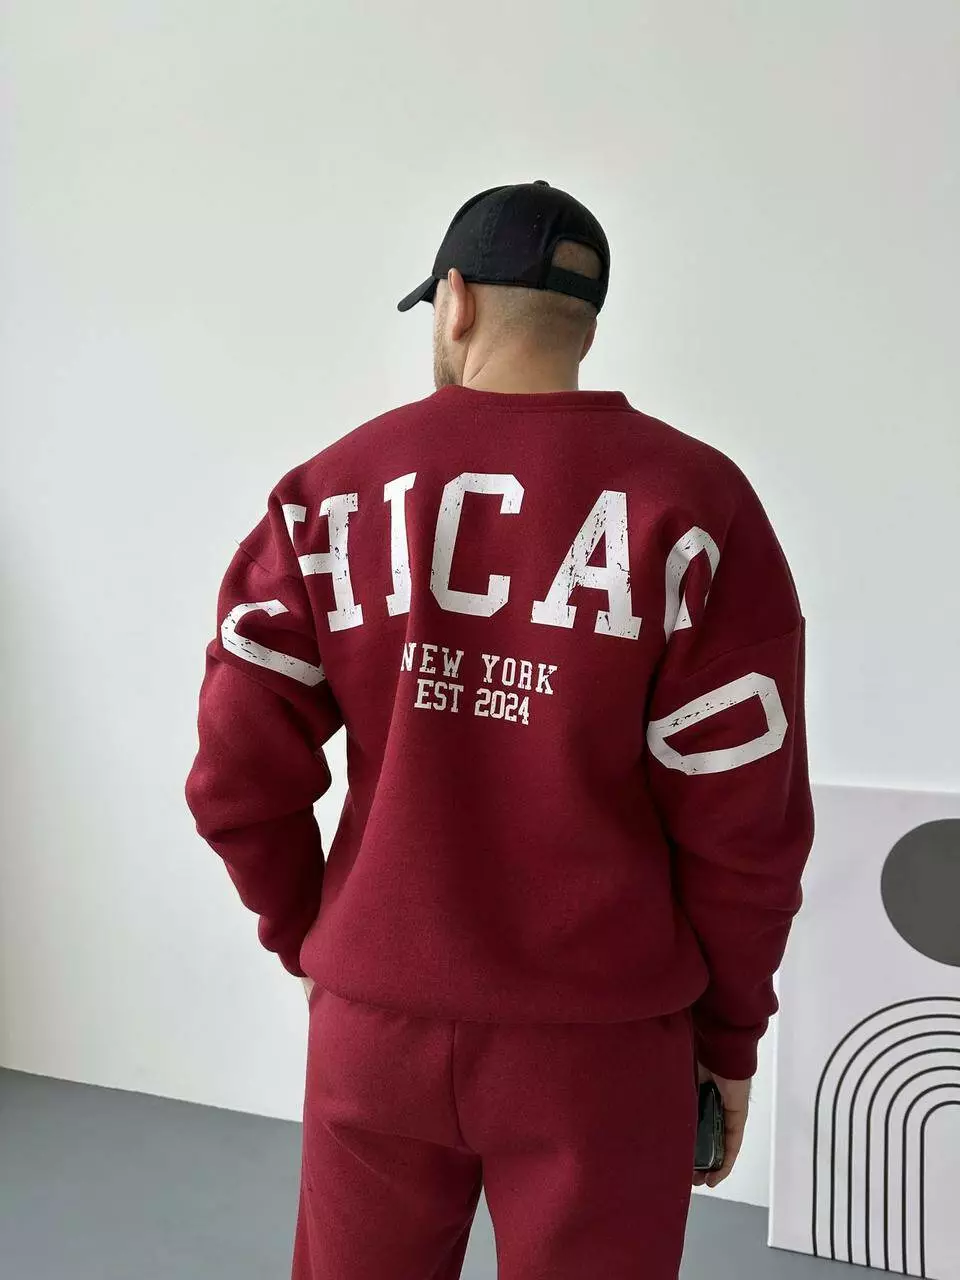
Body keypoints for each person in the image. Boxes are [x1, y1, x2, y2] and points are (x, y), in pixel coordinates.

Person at [185, 180, 815, 1280]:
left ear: (456, 301)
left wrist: (314, 941)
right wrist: (729, 1035)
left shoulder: (329, 492)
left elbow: (236, 776)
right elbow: (745, 820)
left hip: (374, 1029)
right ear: (587, 327)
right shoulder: (696, 505)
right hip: (604, 1042)